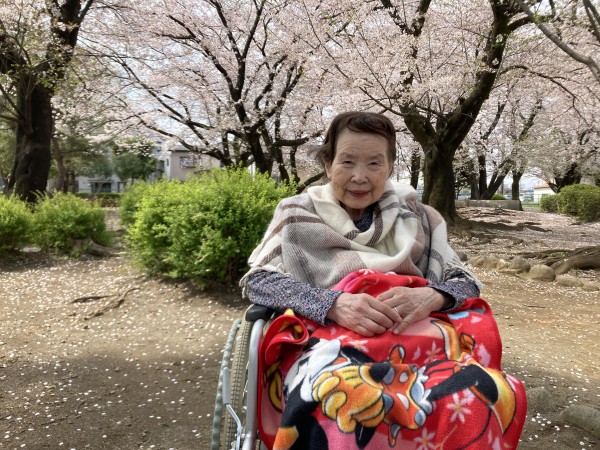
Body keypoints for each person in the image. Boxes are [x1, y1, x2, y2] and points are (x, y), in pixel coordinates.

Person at [240, 112, 526, 450]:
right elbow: (258, 280)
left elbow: (464, 281)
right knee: (345, 401)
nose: (359, 176)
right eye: (347, 161)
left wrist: (431, 296)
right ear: (328, 165)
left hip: (420, 345)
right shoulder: (297, 214)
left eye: (374, 163)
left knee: (478, 397)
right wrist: (332, 303)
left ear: (390, 167)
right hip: (328, 345)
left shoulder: (421, 217)